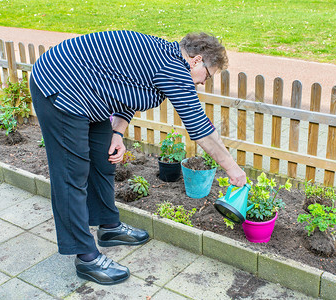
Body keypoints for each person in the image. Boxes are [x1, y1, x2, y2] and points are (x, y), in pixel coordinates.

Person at [29, 30, 247, 285]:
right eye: (207, 76)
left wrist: (117, 133)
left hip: (89, 91)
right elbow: (199, 128)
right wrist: (233, 170)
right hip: (60, 86)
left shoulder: (164, 58)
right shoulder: (174, 69)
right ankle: (86, 257)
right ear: (196, 60)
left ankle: (108, 227)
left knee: (103, 159)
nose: (202, 83)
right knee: (71, 175)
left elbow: (125, 87)